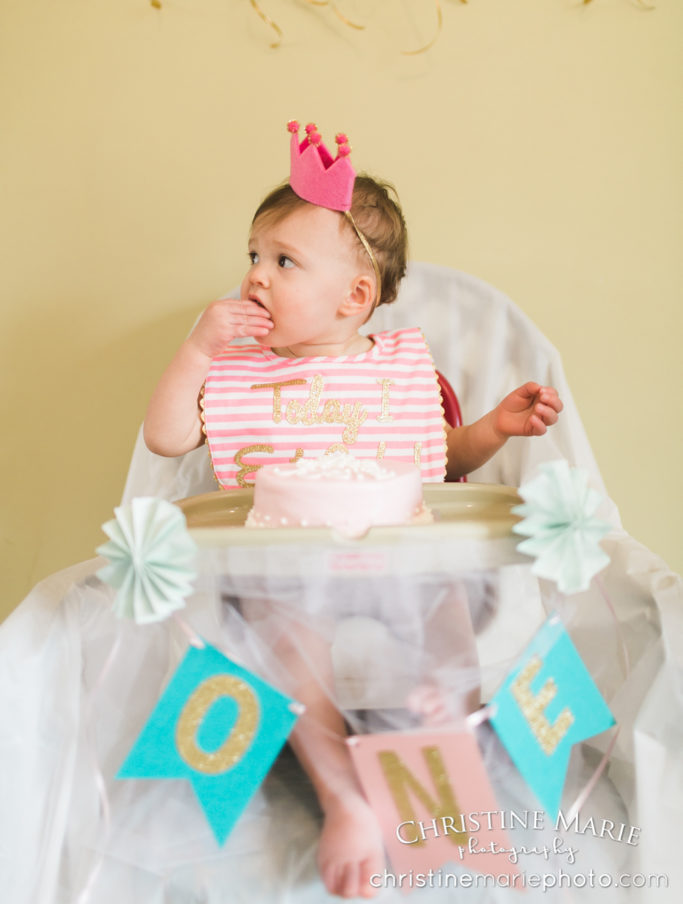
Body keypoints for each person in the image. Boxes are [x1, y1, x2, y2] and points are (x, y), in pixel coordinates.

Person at [143, 121, 563, 899]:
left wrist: (491, 430)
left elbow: (439, 464)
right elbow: (167, 438)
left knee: (445, 628)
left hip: (399, 562)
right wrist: (198, 353)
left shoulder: (397, 371)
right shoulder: (235, 372)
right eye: (253, 257)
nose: (256, 277)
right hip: (279, 568)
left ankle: (436, 784)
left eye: (283, 262)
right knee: (277, 646)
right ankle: (342, 794)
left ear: (355, 296)